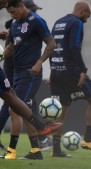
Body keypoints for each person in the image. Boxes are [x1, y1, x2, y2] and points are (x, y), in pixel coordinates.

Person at [3, 0, 61, 160]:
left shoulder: (36, 20)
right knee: (25, 109)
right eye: (10, 13)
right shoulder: (15, 24)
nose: (12, 15)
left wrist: (39, 62)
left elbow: (51, 44)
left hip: (30, 74)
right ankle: (36, 150)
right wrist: (6, 51)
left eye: (13, 12)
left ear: (21, 6)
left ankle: (11, 151)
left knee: (13, 109)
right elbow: (12, 46)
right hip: (17, 73)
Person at [48, 1, 91, 157]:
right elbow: (74, 47)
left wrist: (52, 71)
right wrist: (82, 70)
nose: (87, 18)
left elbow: (51, 47)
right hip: (71, 70)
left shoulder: (58, 22)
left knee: (61, 109)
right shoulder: (77, 23)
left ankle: (56, 150)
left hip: (57, 71)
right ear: (82, 11)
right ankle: (88, 139)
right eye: (88, 15)